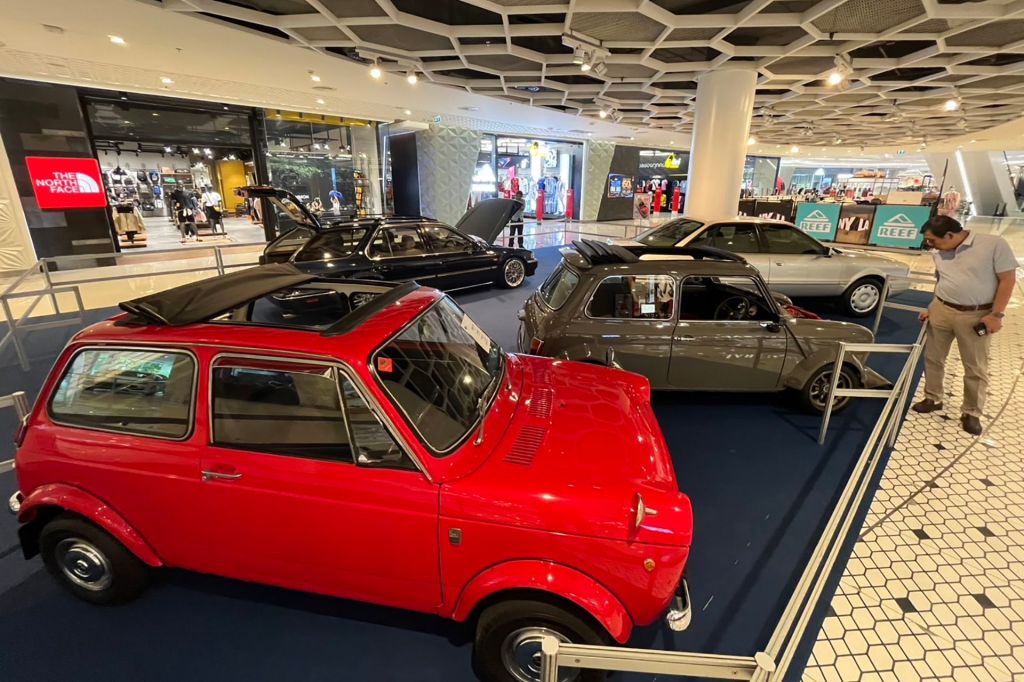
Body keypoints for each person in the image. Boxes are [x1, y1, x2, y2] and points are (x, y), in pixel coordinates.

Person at [912, 215, 1018, 435]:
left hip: (976, 315)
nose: (930, 245)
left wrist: (997, 315)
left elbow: (1007, 280)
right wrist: (932, 307)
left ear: (950, 235)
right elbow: (942, 280)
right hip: (941, 310)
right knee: (933, 357)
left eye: (933, 240)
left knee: (975, 366)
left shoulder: (993, 244)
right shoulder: (940, 252)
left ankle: (971, 412)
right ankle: (933, 397)